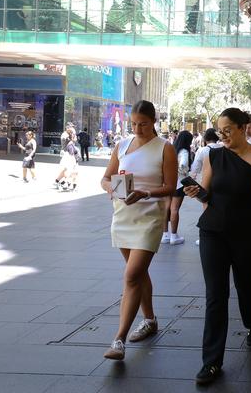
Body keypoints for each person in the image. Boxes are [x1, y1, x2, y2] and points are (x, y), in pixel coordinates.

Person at [184, 107, 251, 386]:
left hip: (248, 232)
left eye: (228, 129)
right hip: (213, 231)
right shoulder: (213, 156)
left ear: (243, 128)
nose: (223, 135)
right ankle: (211, 361)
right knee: (216, 294)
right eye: (219, 130)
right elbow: (206, 194)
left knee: (245, 284)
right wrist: (195, 192)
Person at [100, 100, 177, 360]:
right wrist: (111, 189)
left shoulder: (165, 148)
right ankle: (150, 319)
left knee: (131, 275)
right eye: (133, 123)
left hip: (150, 217)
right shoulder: (122, 145)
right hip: (122, 216)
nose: (137, 128)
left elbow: (170, 186)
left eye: (142, 124)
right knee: (139, 274)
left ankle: (119, 339)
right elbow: (106, 177)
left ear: (154, 121)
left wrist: (146, 192)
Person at [161, 130, 193, 246]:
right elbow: (183, 165)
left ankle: (165, 235)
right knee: (174, 209)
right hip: (179, 183)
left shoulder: (172, 149)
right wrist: (184, 173)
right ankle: (174, 236)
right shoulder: (184, 151)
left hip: (167, 182)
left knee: (166, 207)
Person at [190, 128, 221, 246]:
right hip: (221, 181)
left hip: (207, 180)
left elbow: (195, 167)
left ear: (206, 138)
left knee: (206, 205)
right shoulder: (222, 147)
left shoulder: (203, 150)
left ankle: (208, 232)